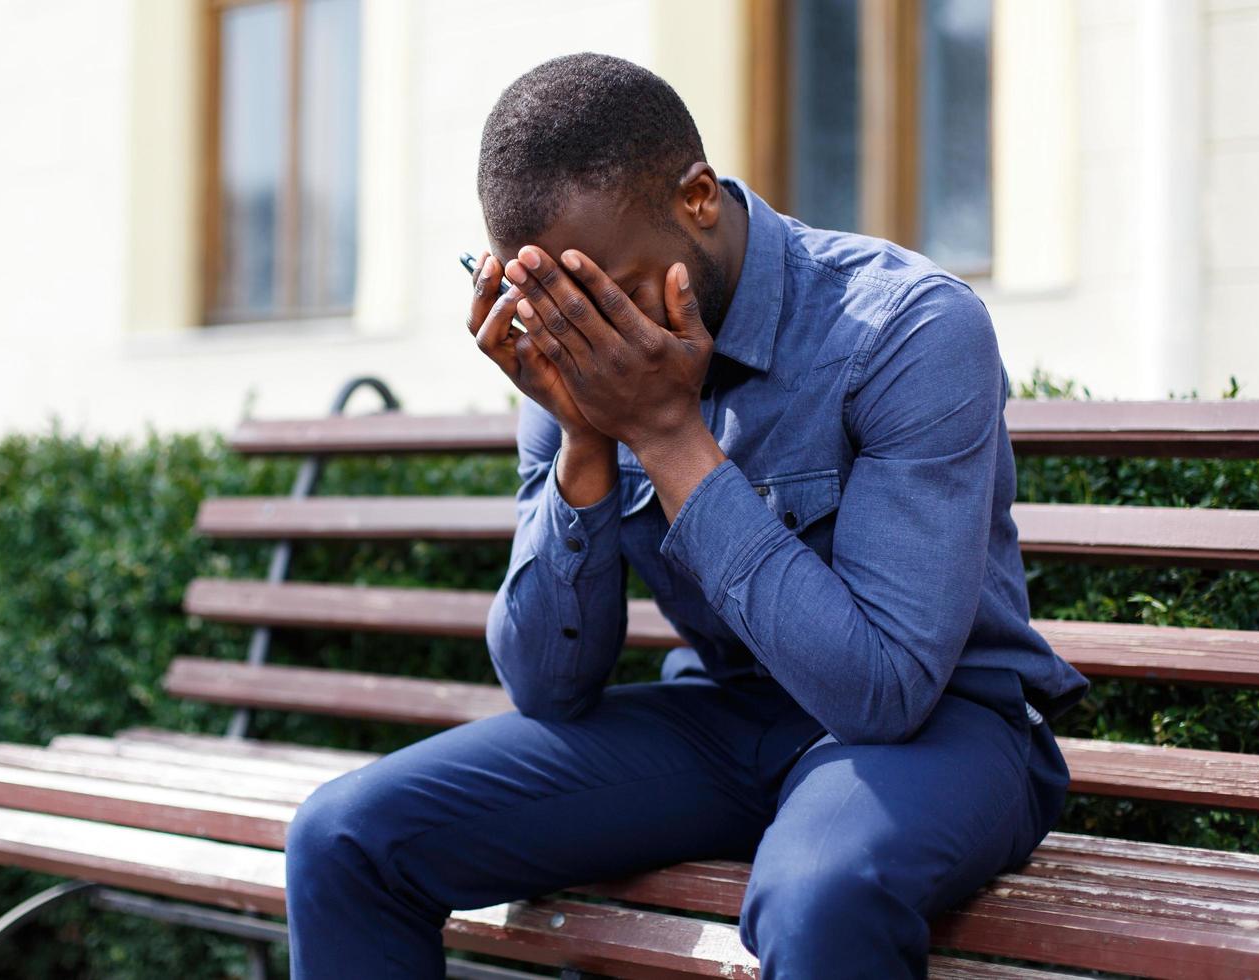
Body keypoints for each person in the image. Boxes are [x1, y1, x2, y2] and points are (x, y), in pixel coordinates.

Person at [285, 52, 1088, 978]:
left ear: (698, 197)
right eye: (560, 305)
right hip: (729, 718)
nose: (594, 335)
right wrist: (584, 443)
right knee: (345, 838)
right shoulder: (578, 353)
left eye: (613, 292)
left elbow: (884, 691)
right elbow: (548, 687)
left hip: (945, 728)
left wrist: (666, 433)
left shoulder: (906, 328)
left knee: (821, 892)